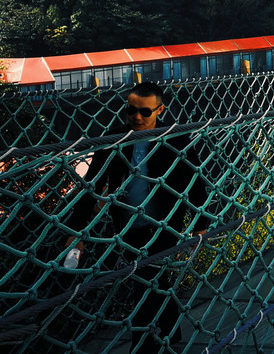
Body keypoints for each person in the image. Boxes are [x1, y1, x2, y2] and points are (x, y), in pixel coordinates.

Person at [65, 82, 211, 354]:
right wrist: (75, 232)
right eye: (131, 110)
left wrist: (200, 225)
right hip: (126, 225)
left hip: (163, 224)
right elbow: (92, 187)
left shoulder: (176, 138)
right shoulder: (113, 140)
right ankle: (171, 329)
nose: (137, 117)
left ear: (160, 110)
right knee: (152, 279)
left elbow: (194, 182)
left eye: (145, 111)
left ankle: (142, 345)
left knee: (144, 279)